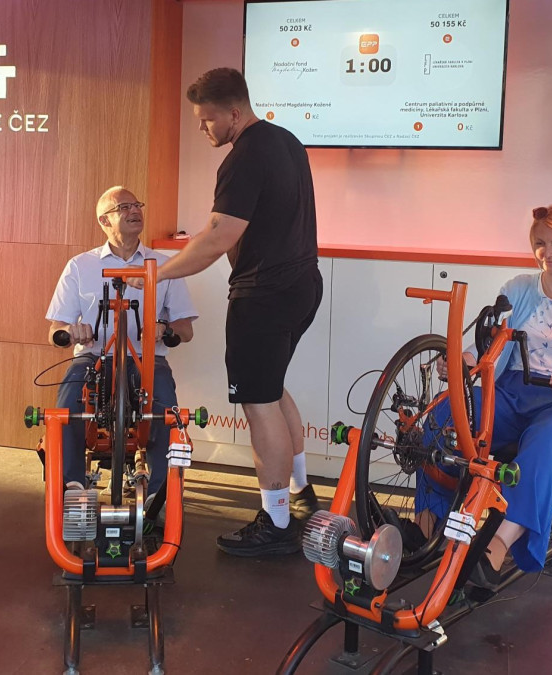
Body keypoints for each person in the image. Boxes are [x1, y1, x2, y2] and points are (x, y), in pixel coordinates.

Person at [144, 67, 323, 557]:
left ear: (235, 112)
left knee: (259, 402)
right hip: (302, 285)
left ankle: (277, 522)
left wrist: (156, 275)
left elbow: (218, 237)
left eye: (207, 119)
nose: (203, 128)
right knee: (272, 388)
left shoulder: (244, 156)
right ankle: (302, 495)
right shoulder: (287, 141)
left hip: (264, 294)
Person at [421, 204, 552, 587]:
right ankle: (427, 526)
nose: (548, 253)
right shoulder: (518, 288)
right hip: (513, 393)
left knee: (547, 436)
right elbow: (490, 346)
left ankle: (499, 544)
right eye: (540, 243)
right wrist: (463, 361)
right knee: (444, 414)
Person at [46, 186, 198, 502]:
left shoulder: (164, 265)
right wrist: (71, 331)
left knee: (165, 409)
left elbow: (185, 329)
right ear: (104, 221)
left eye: (137, 205)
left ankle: (159, 496)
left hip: (146, 359)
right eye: (124, 207)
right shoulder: (80, 265)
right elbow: (55, 330)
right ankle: (73, 488)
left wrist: (164, 328)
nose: (135, 211)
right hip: (92, 357)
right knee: (67, 404)